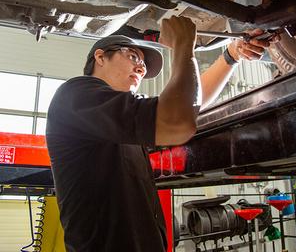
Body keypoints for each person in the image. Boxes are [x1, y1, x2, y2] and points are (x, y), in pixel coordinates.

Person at [46, 16, 273, 252]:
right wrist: (184, 46)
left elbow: (189, 103)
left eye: (143, 64)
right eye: (133, 57)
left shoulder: (120, 121)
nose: (141, 68)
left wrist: (231, 55)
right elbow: (179, 118)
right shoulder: (75, 95)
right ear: (100, 56)